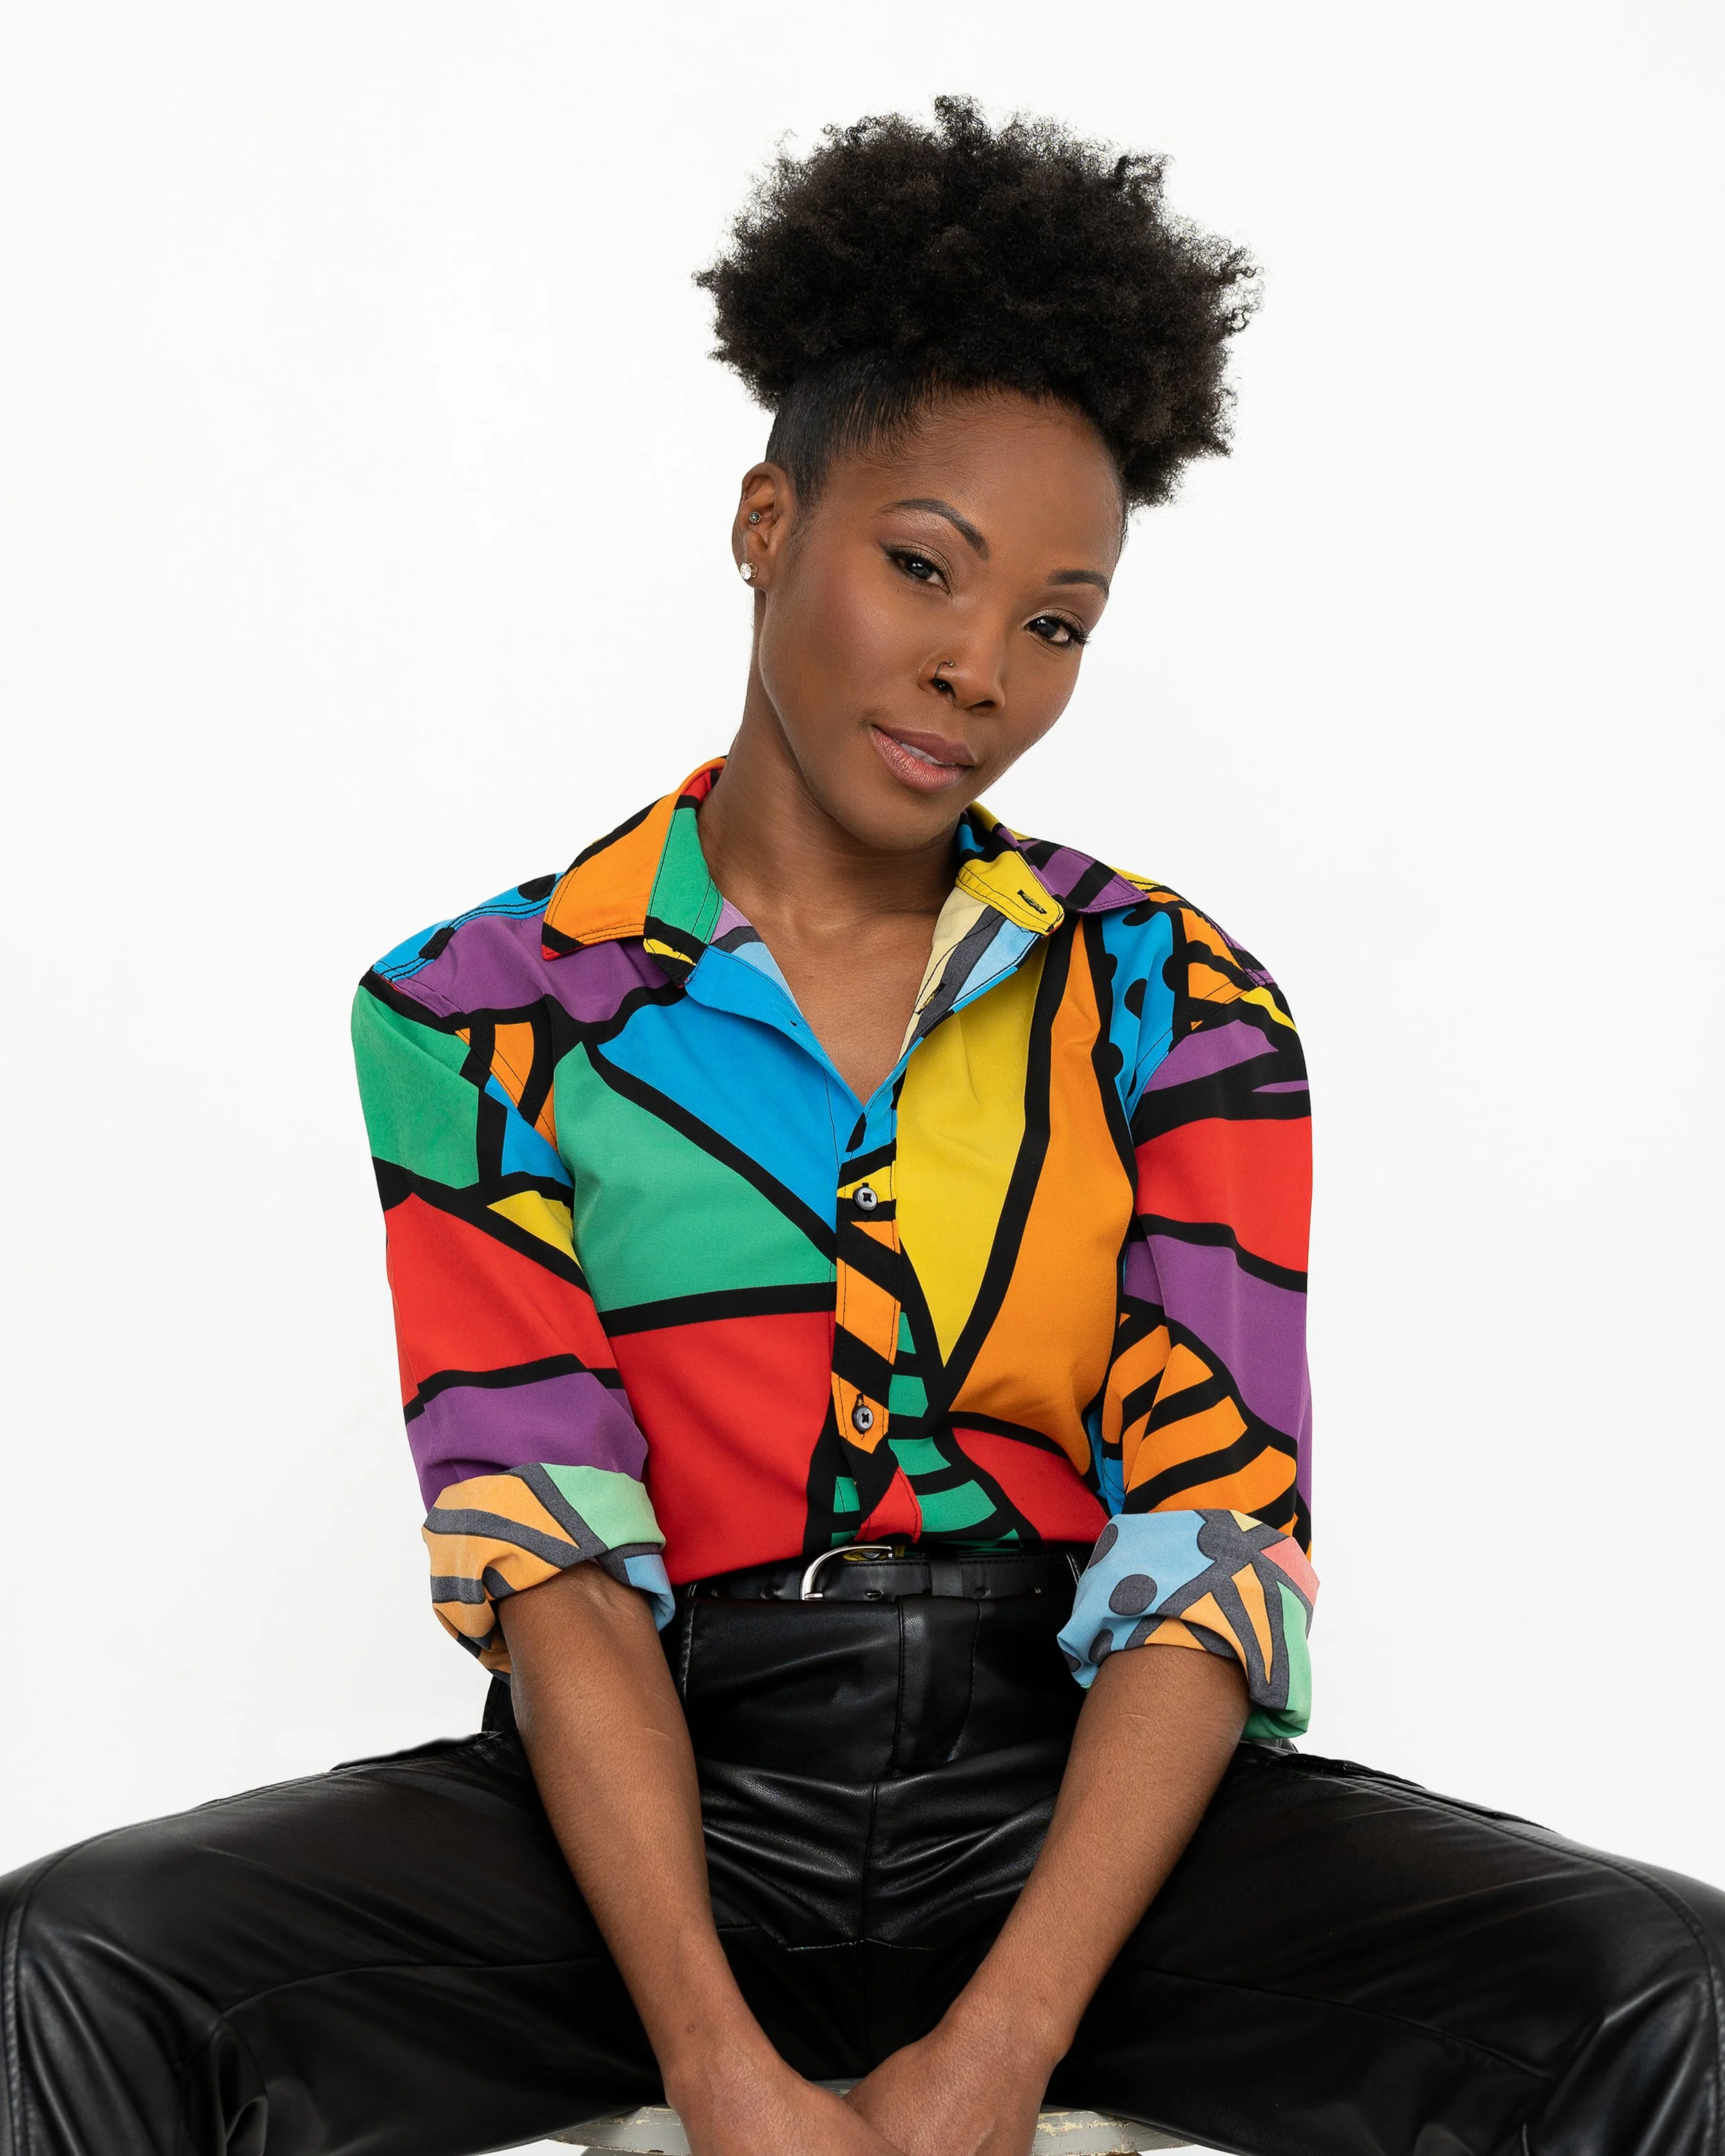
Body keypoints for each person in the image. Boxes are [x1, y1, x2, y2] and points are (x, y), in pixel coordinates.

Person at [1, 96, 1719, 2156]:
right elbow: (550, 1562)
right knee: (68, 1959)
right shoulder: (479, 1010)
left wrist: (997, 2051)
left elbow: (1208, 1551)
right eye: (924, 566)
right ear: (764, 521)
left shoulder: (1180, 1004)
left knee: (1670, 1989)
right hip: (656, 1789)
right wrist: (722, 2070)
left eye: (1056, 621)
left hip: (1072, 1791)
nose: (975, 667)